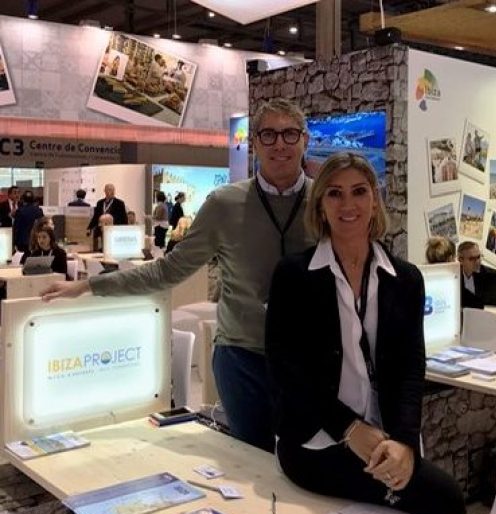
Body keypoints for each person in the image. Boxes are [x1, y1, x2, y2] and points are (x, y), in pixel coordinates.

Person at [41, 98, 314, 453]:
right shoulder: (224, 204)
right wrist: (89, 284)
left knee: (307, 463)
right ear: (255, 144)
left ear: (304, 140)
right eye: (269, 134)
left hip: (311, 358)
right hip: (243, 358)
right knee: (253, 459)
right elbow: (169, 269)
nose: (280, 144)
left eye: (290, 134)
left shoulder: (327, 200)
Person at [265, 153, 465, 514]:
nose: (348, 204)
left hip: (387, 437)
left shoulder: (405, 279)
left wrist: (405, 441)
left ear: (375, 200)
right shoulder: (293, 276)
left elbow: (410, 368)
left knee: (443, 502)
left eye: (359, 192)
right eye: (335, 193)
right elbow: (288, 373)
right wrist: (350, 428)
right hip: (316, 441)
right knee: (444, 500)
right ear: (320, 205)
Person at [87, 184, 128, 251]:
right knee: (102, 247)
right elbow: (95, 217)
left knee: (112, 248)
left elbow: (124, 218)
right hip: (101, 228)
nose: (111, 192)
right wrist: (90, 227)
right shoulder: (100, 203)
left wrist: (125, 229)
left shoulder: (119, 203)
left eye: (112, 190)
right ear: (105, 191)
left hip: (114, 229)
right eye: (109, 190)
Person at [457, 241, 496, 309]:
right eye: (472, 259)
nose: (477, 262)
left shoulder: (491, 275)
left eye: (478, 257)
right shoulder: (454, 277)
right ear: (460, 260)